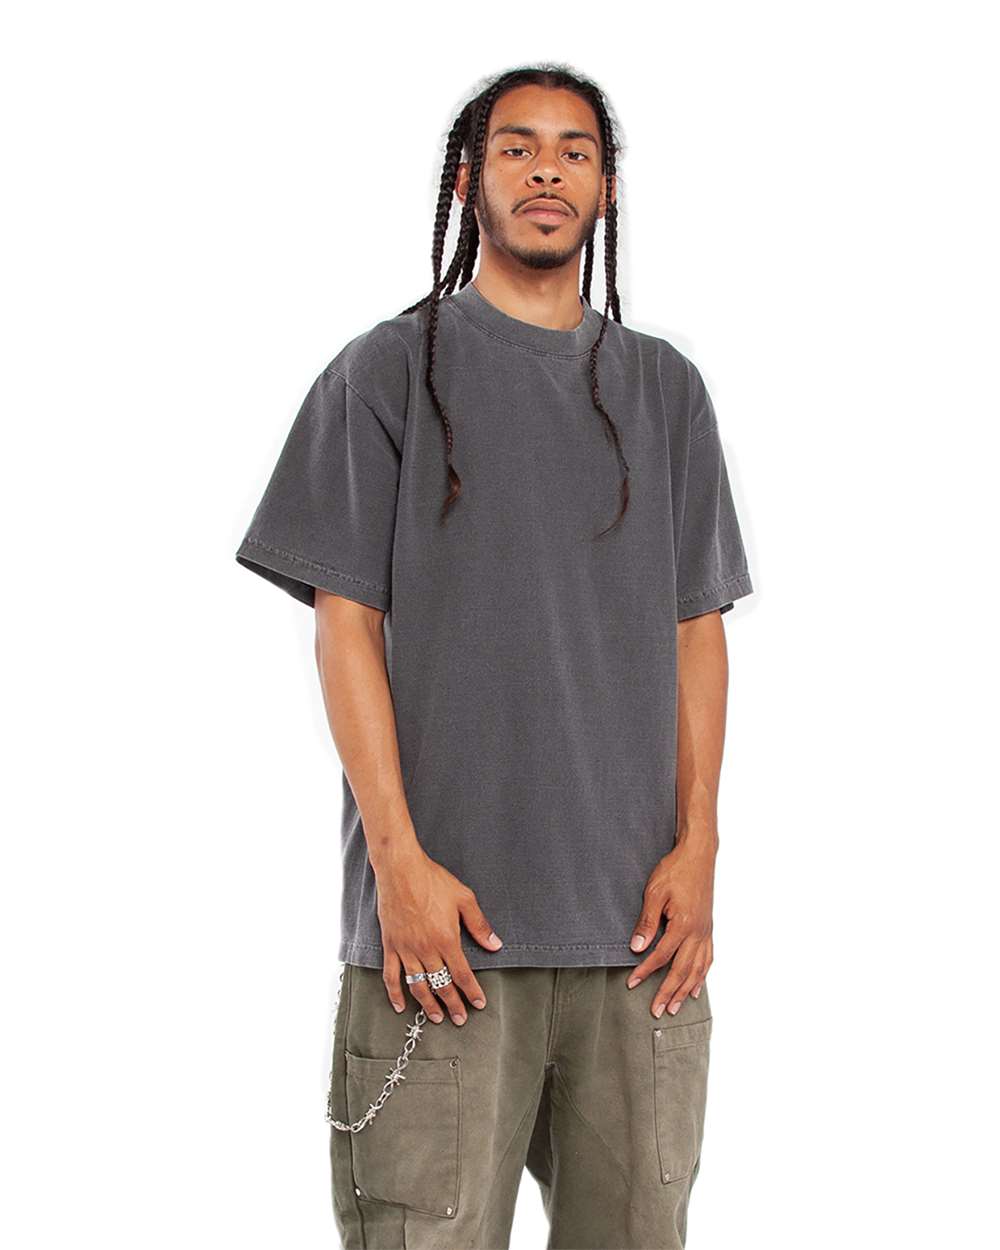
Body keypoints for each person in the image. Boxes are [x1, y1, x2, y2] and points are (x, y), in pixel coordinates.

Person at [234, 62, 754, 1250]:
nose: (546, 171)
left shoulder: (665, 390)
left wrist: (700, 845)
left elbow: (696, 628)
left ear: (606, 187)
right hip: (440, 937)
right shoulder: (386, 372)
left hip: (638, 942)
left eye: (575, 150)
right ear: (468, 180)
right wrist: (397, 862)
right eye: (516, 147)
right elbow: (344, 622)